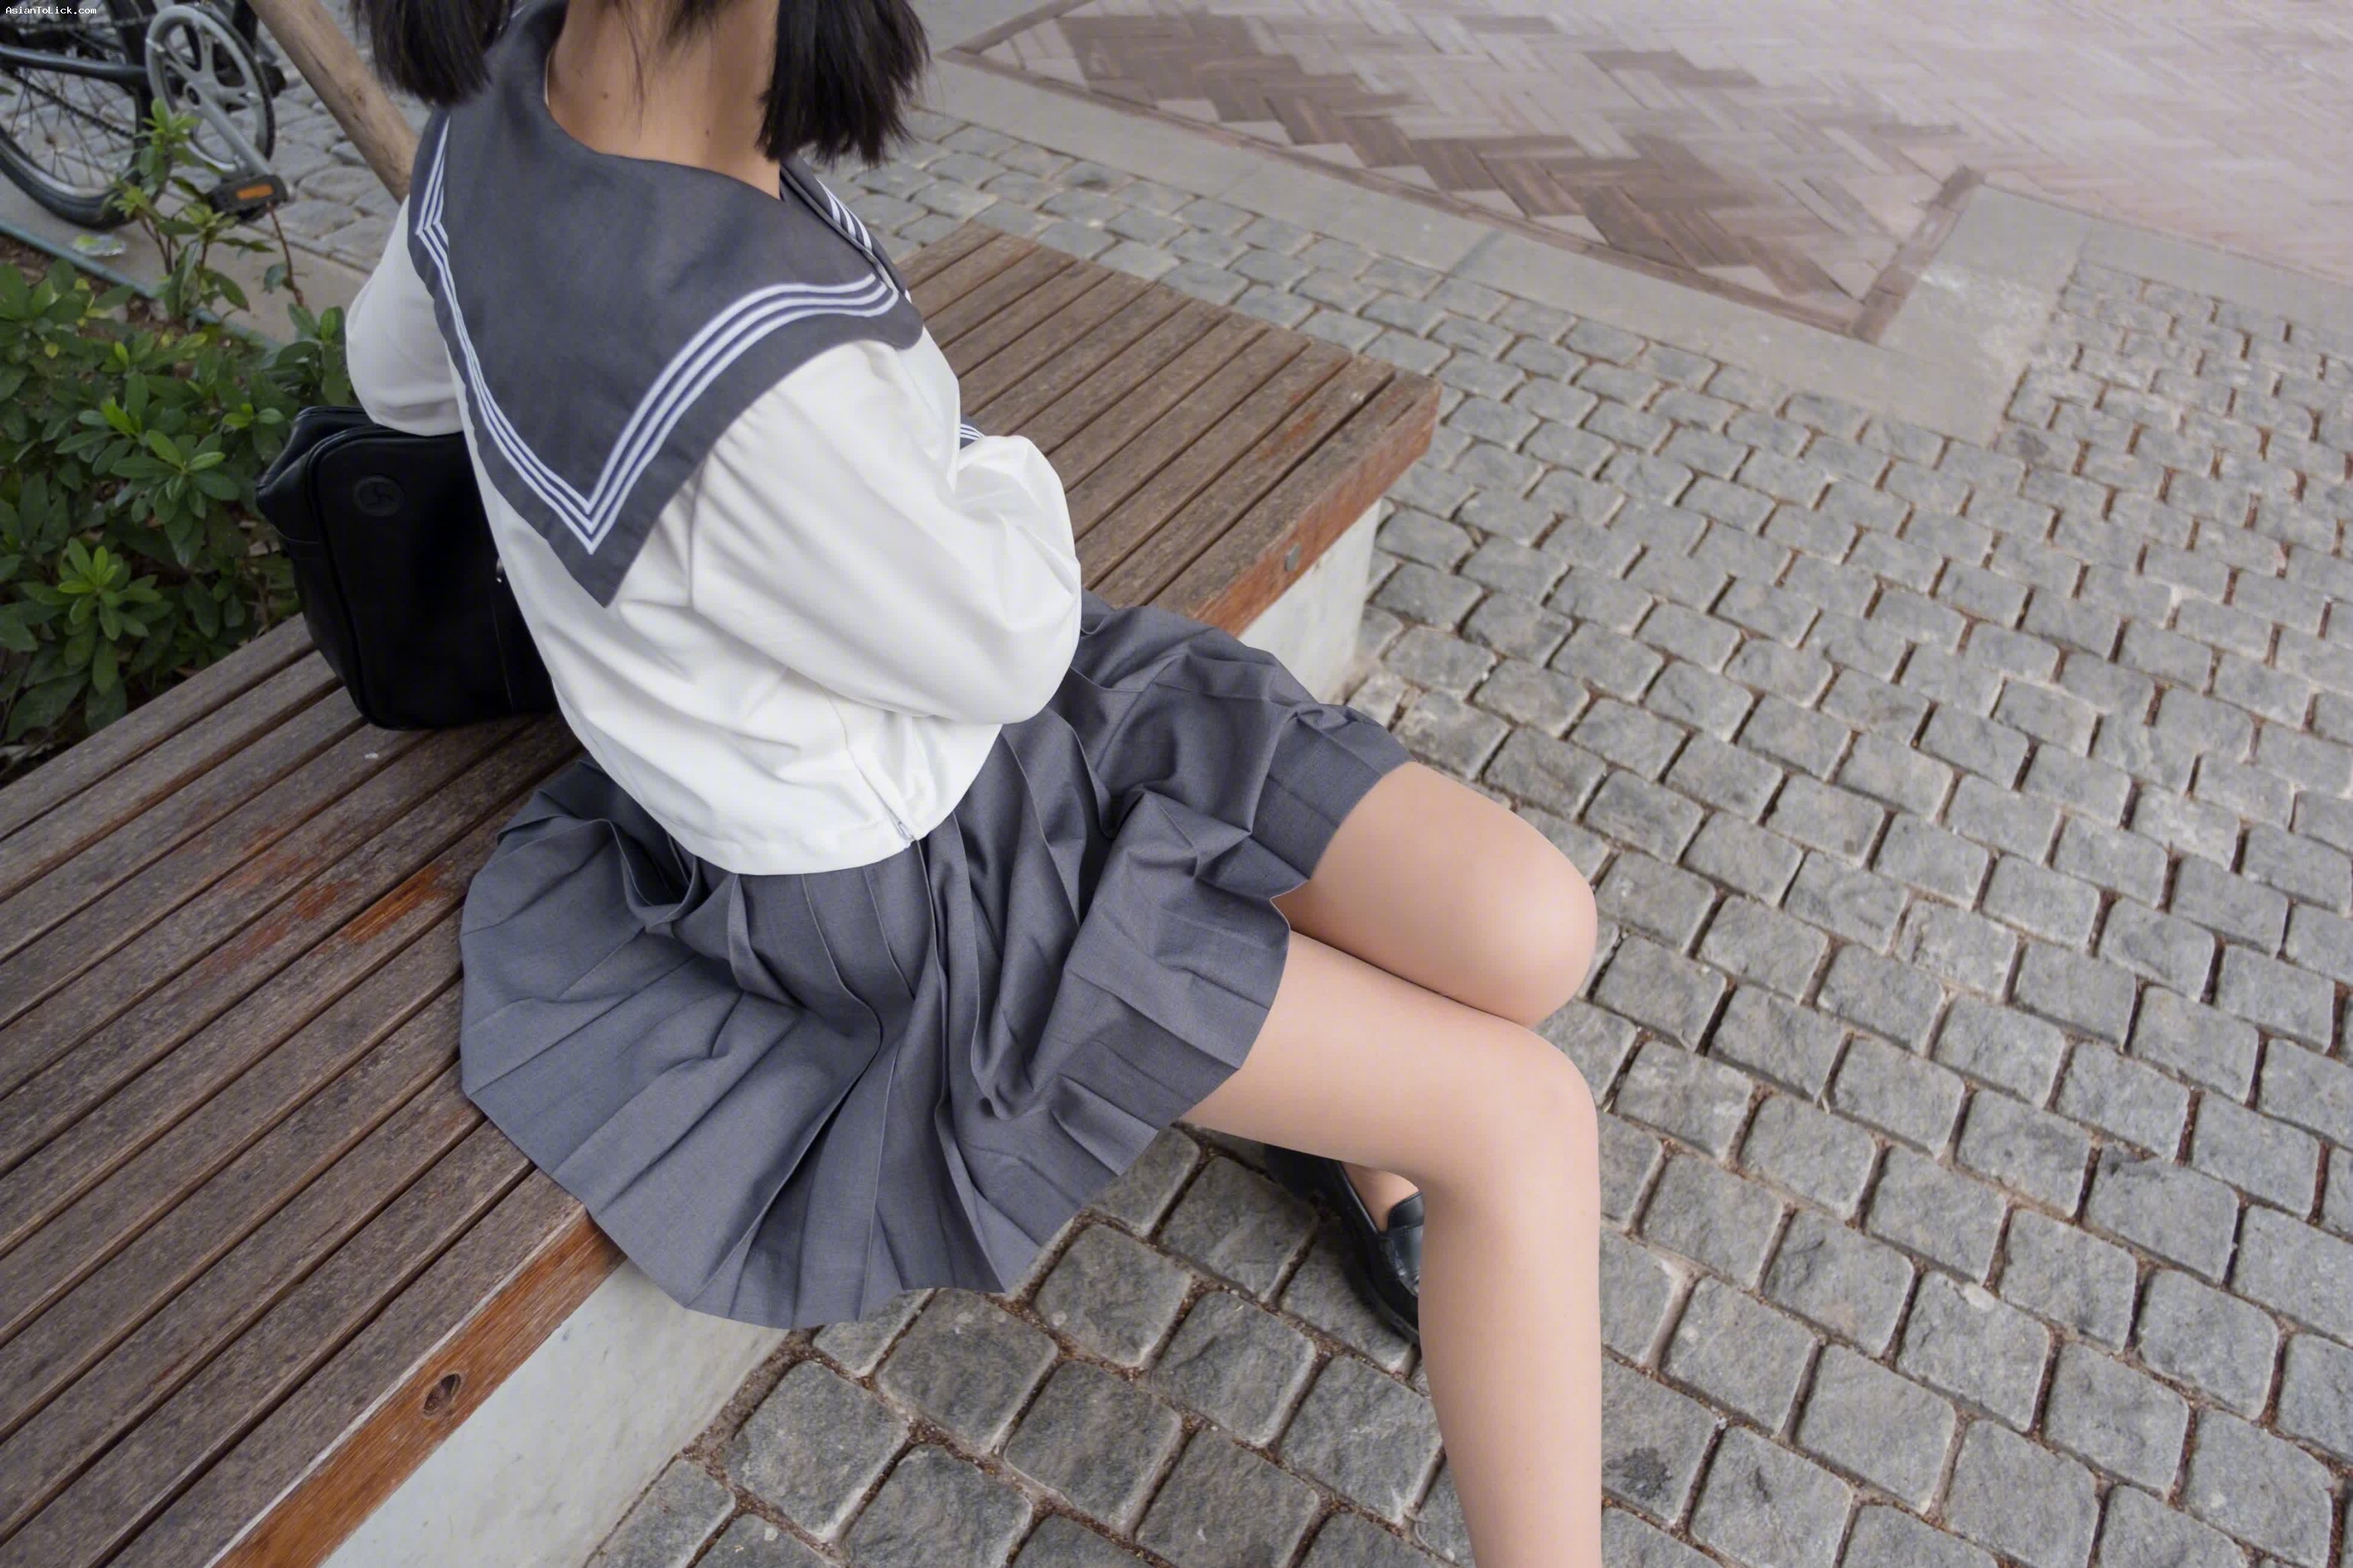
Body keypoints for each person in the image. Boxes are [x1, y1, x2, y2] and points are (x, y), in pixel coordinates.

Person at [338, 0, 1603, 1557]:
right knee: (1527, 1120)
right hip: (912, 890)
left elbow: (394, 375)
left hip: (971, 724)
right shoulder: (753, 378)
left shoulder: (500, 104)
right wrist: (957, 462)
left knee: (1531, 930)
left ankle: (1345, 1110)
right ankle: (1371, 1119)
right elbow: (1011, 624)